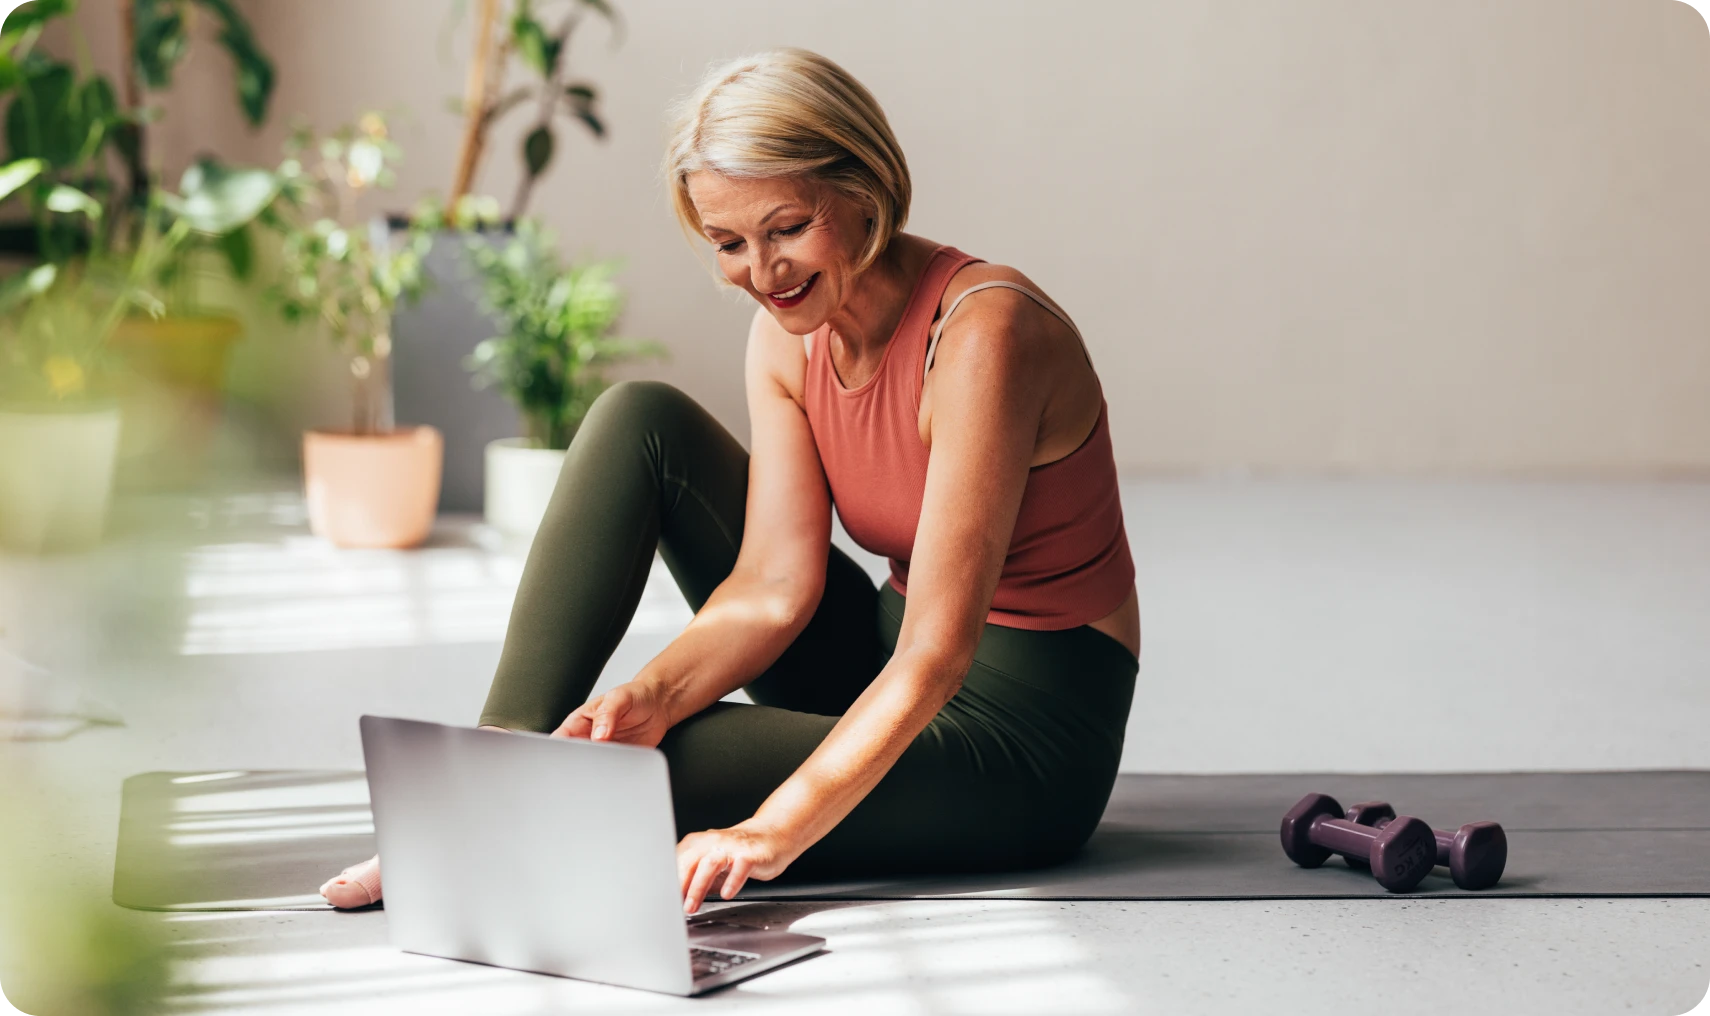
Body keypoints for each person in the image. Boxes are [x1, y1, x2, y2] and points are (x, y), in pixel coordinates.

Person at [321, 47, 1140, 915]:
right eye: (729, 243)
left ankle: (465, 820)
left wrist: (772, 828)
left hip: (1017, 741)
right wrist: (650, 696)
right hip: (879, 665)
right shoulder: (789, 330)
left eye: (788, 228)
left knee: (667, 765)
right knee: (641, 422)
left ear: (863, 188)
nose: (764, 271)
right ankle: (484, 772)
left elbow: (938, 652)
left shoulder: (984, 335)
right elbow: (774, 584)